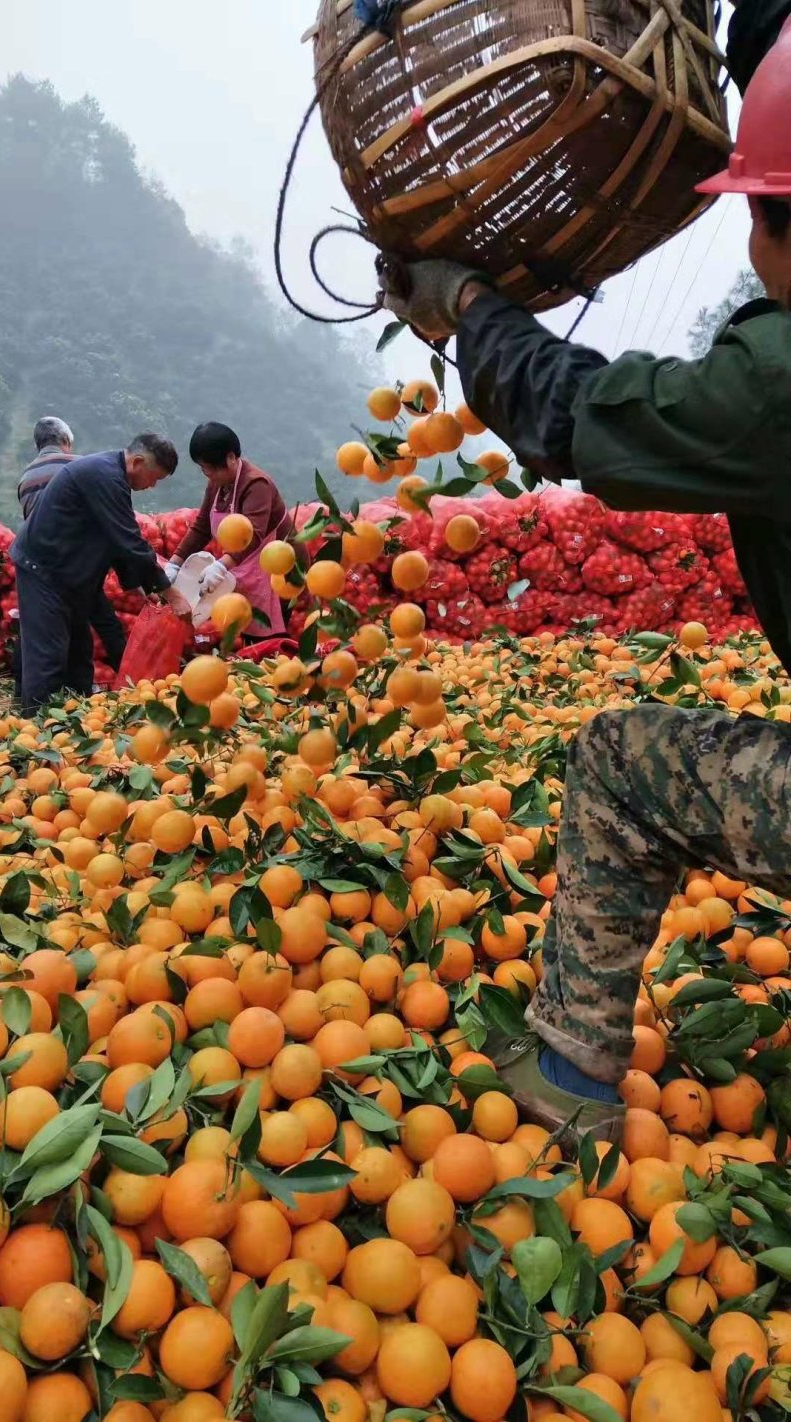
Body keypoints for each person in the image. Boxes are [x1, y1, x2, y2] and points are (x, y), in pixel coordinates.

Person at [378, 21, 791, 1143]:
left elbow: (578, 414)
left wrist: (466, 308)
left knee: (618, 762)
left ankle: (568, 1082)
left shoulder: (777, 384)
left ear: (767, 221)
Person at [12, 433, 191, 714]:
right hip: (44, 572)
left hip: (72, 578)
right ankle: (33, 737)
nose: (152, 486)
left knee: (79, 656)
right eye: (154, 478)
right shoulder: (104, 476)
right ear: (138, 462)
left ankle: (76, 724)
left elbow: (115, 542)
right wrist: (172, 593)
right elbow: (130, 541)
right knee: (48, 658)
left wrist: (141, 588)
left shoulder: (112, 478)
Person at [14, 416, 127, 683]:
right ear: (65, 441)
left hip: (38, 565)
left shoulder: (26, 477)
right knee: (104, 622)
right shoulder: (79, 467)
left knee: (33, 631)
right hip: (75, 566)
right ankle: (130, 675)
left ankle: (24, 691)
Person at [165, 422, 295, 639]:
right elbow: (202, 528)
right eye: (203, 467)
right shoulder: (217, 482)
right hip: (243, 565)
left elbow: (252, 535)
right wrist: (175, 563)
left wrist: (220, 566)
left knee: (266, 640)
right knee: (239, 629)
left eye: (211, 467)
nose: (207, 473)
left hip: (278, 569)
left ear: (231, 458)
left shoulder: (256, 485)